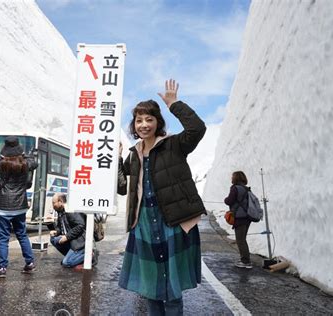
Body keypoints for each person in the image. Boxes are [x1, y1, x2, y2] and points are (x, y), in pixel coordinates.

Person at [117, 79, 207, 315]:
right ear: (134, 125)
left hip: (172, 223)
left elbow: (198, 128)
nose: (144, 124)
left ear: (158, 122)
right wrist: (115, 159)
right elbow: (121, 187)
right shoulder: (134, 154)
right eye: (139, 120)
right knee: (150, 288)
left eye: (149, 119)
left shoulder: (174, 145)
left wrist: (174, 104)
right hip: (143, 225)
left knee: (173, 290)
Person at [0, 136, 39, 278]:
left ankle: (2, 268)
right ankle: (30, 263)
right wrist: (23, 154)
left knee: (3, 238)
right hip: (20, 204)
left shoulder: (2, 164)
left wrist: (1, 156)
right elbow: (35, 163)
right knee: (22, 234)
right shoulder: (25, 164)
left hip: (4, 205)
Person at [49, 193, 98, 268]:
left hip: (79, 241)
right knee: (54, 239)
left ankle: (89, 255)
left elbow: (80, 225)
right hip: (71, 240)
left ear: (60, 201)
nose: (53, 206)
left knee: (66, 263)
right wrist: (57, 232)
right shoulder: (60, 211)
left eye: (53, 203)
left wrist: (66, 237)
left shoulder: (70, 210)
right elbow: (60, 226)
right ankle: (73, 257)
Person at [224, 171, 253, 269]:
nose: (231, 178)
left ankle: (246, 261)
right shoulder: (247, 189)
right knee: (243, 239)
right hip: (247, 217)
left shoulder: (235, 188)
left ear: (235, 178)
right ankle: (245, 259)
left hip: (239, 217)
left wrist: (225, 199)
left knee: (240, 240)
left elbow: (229, 201)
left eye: (232, 177)